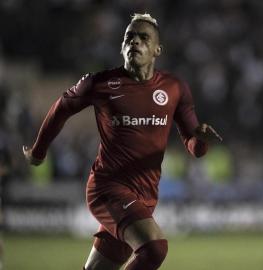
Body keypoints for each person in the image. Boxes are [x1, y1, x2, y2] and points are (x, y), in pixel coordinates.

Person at [23, 13, 222, 270]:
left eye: (143, 38)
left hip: (145, 195)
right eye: (129, 37)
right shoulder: (101, 83)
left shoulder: (175, 88)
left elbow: (194, 147)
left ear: (156, 49)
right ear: (121, 47)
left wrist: (202, 140)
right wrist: (38, 152)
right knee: (154, 248)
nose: (135, 42)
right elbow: (61, 108)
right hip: (108, 189)